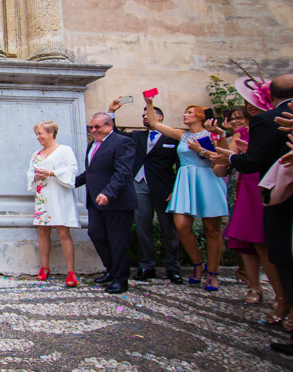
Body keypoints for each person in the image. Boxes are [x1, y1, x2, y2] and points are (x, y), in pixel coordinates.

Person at [210, 74, 293, 358]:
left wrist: (231, 158)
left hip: (284, 199)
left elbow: (255, 161)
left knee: (290, 261)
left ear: (270, 96)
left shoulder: (270, 119)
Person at [144, 98, 228, 291]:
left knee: (212, 230)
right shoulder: (182, 135)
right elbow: (155, 123)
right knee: (181, 226)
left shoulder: (213, 135)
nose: (184, 115)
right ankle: (198, 264)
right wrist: (149, 102)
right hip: (185, 180)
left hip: (207, 179)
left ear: (200, 116)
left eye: (189, 112)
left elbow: (224, 157)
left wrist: (202, 150)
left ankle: (213, 273)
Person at [216, 105, 289, 321]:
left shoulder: (267, 127)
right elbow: (221, 167)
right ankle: (255, 286)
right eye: (233, 118)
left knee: (264, 241)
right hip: (243, 188)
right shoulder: (236, 136)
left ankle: (282, 296)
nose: (237, 121)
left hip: (263, 184)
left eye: (241, 117)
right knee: (246, 239)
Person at [107, 98, 183, 283]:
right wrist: (112, 112)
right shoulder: (136, 136)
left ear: (159, 117)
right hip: (139, 184)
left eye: (147, 114)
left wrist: (176, 190)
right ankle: (146, 266)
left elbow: (180, 165)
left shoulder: (172, 138)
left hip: (164, 187)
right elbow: (115, 134)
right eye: (142, 116)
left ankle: (172, 267)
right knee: (142, 227)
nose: (144, 118)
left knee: (169, 229)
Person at [75, 113, 138, 294]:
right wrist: (66, 182)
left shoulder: (122, 142)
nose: (94, 131)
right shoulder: (92, 146)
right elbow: (91, 173)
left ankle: (121, 279)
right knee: (96, 234)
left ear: (110, 126)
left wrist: (108, 193)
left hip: (117, 202)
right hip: (96, 202)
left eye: (98, 127)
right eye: (92, 127)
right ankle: (111, 269)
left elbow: (123, 172)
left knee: (118, 241)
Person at [26, 121, 80, 287]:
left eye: (40, 133)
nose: (38, 137)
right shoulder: (36, 154)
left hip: (60, 195)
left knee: (63, 232)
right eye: (37, 134)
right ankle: (45, 267)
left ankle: (71, 271)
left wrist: (51, 173)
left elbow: (73, 170)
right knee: (43, 232)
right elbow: (29, 171)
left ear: (51, 133)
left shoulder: (65, 150)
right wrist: (35, 177)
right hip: (43, 196)